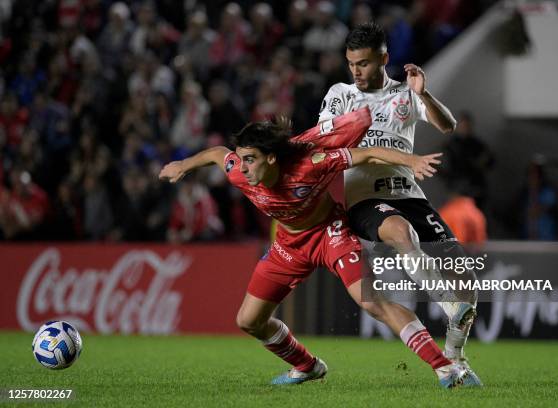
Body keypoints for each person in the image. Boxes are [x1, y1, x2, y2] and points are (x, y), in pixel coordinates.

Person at [159, 108, 476, 388]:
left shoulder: (311, 165)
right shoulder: (240, 171)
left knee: (371, 301)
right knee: (248, 321)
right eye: (241, 159)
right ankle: (307, 366)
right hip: (289, 244)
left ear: (271, 158)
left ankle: (445, 367)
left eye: (250, 159)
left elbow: (364, 155)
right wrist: (183, 165)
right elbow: (217, 153)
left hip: (330, 234)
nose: (242, 167)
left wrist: (411, 160)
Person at [318, 22, 482, 385]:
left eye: (363, 63)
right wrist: (400, 158)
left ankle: (456, 359)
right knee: (400, 232)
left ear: (383, 59)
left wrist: (424, 95)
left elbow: (448, 124)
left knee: (466, 278)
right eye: (351, 63)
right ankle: (448, 305)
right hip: (364, 198)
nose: (356, 71)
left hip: (409, 195)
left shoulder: (404, 94)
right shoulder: (340, 94)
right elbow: (331, 147)